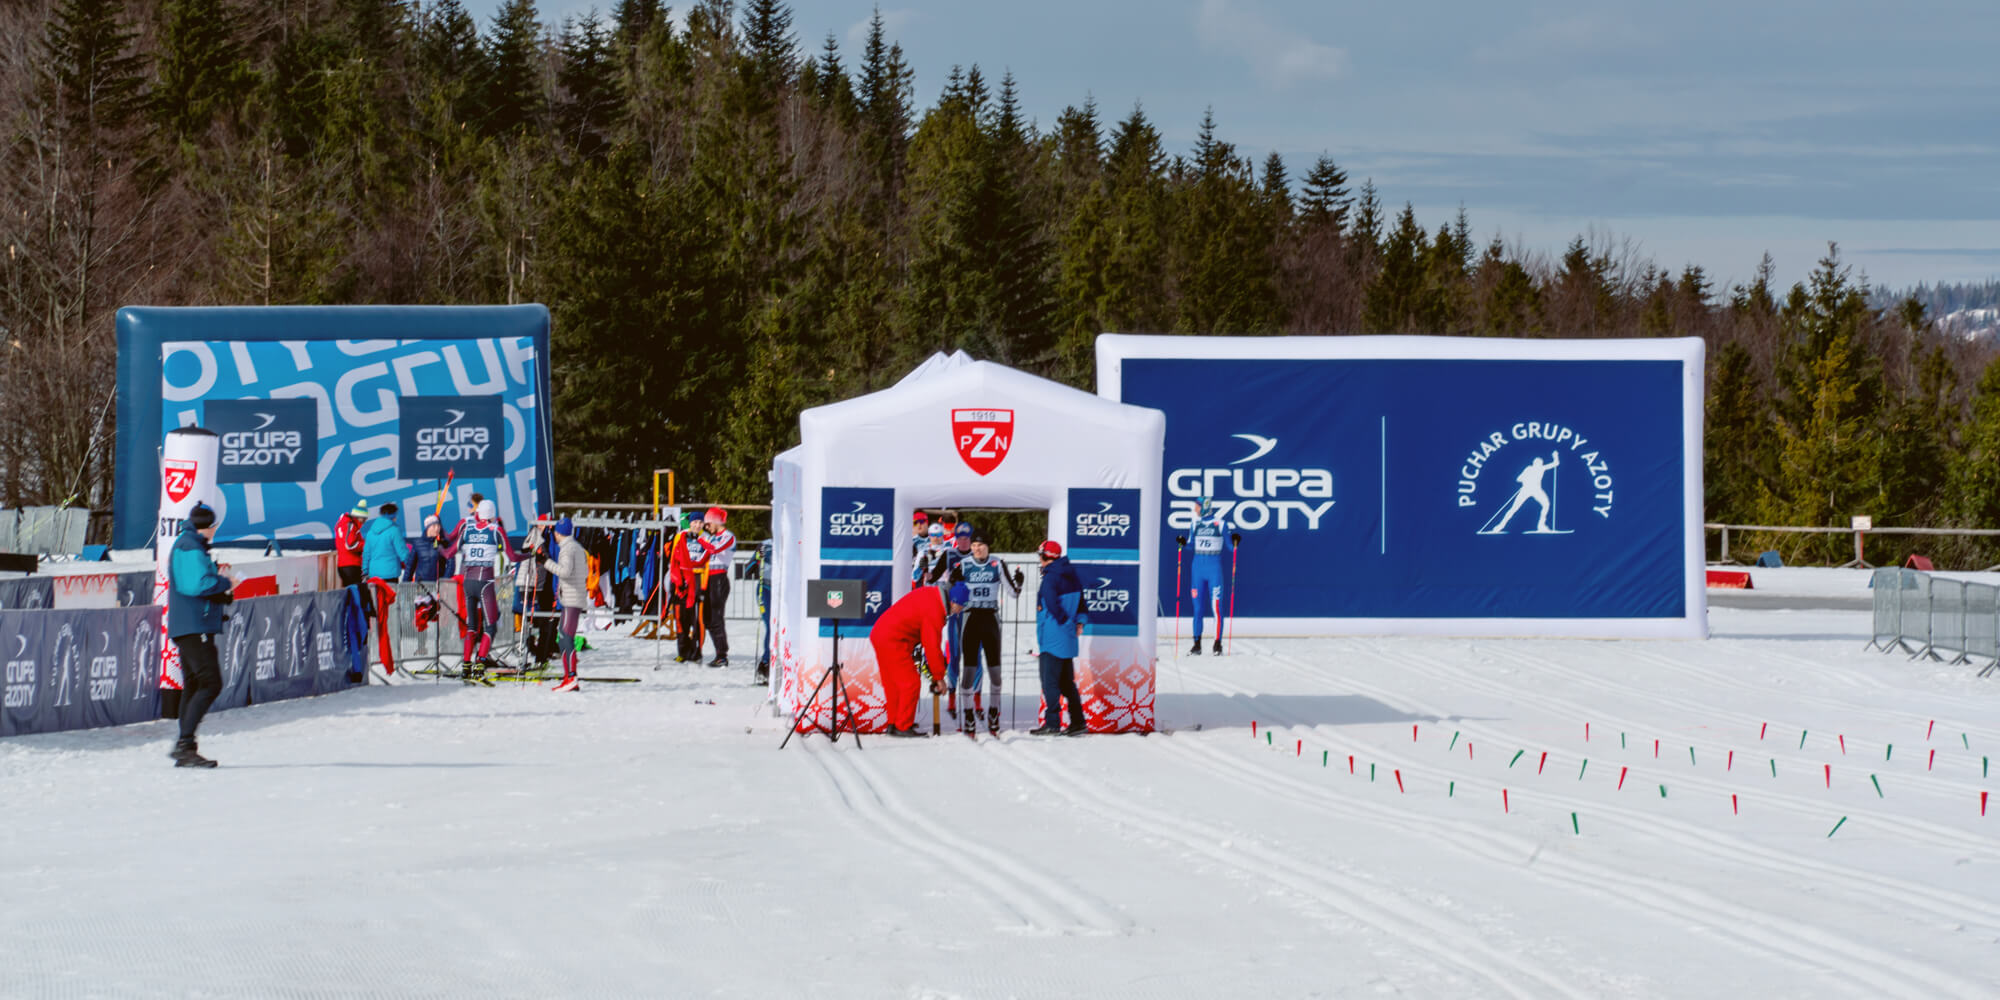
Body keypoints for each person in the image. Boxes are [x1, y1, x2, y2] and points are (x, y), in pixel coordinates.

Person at [167, 502, 233, 767]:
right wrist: (224, 582)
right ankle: (185, 744)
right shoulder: (189, 546)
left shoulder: (190, 545)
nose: (215, 531)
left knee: (195, 684)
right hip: (194, 625)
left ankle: (186, 745)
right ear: (208, 526)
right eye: (214, 526)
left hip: (191, 624)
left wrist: (219, 592)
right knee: (210, 683)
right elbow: (195, 585)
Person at [869, 581, 967, 737]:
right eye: (961, 606)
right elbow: (931, 645)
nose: (959, 611)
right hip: (893, 639)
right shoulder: (936, 609)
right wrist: (939, 677)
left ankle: (893, 723)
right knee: (910, 683)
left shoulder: (932, 595)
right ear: (953, 601)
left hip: (881, 633)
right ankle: (903, 726)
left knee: (894, 684)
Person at [442, 498, 526, 671]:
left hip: (468, 582)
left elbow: (448, 553)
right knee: (491, 625)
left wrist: (437, 545)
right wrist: (530, 555)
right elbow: (512, 557)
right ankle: (479, 664)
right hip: (484, 583)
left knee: (472, 626)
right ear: (492, 515)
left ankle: (466, 665)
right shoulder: (496, 530)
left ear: (478, 513)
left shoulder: (467, 529)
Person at [955, 530, 1023, 734]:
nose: (976, 548)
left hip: (991, 618)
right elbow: (952, 589)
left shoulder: (997, 564)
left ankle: (994, 712)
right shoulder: (965, 564)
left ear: (988, 547)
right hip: (970, 619)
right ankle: (968, 714)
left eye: (981, 545)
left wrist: (1018, 582)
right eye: (974, 545)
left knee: (995, 670)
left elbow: (1013, 593)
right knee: (968, 669)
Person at [1033, 540, 1088, 736]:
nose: (1039, 560)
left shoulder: (1050, 578)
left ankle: (1052, 723)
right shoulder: (1071, 574)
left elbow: (1052, 605)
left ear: (1045, 557)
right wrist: (1078, 623)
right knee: (1066, 683)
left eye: (1040, 556)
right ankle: (1078, 721)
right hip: (1067, 638)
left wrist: (1066, 624)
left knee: (1050, 682)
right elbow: (1082, 603)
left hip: (1052, 637)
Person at [1176, 497, 1239, 656]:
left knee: (1216, 608)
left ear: (1204, 507)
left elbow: (1231, 548)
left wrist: (1236, 541)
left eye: (1197, 506)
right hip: (1197, 570)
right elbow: (1191, 545)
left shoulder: (1221, 524)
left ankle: (1217, 644)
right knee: (1197, 609)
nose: (1195, 509)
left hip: (1213, 570)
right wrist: (1183, 543)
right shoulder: (1194, 524)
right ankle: (1196, 645)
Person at [360, 501, 410, 673]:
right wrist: (413, 563)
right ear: (392, 515)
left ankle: (377, 653)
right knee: (391, 617)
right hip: (389, 577)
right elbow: (402, 552)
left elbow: (366, 553)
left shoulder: (371, 531)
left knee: (377, 616)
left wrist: (365, 571)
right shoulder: (394, 530)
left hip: (374, 578)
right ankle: (392, 655)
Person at [540, 517, 589, 692]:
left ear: (560, 533)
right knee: (563, 636)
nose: (554, 534)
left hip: (571, 599)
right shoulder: (576, 547)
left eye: (556, 531)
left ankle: (571, 677)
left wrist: (545, 562)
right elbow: (583, 572)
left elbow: (566, 572)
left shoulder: (568, 549)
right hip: (572, 597)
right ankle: (568, 676)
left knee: (565, 637)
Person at [696, 507, 738, 667]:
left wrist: (700, 538)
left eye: (708, 524)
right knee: (707, 618)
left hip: (719, 579)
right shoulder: (712, 538)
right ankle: (719, 652)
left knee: (716, 617)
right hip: (708, 578)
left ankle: (722, 654)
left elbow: (715, 549)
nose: (707, 527)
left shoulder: (728, 536)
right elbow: (703, 557)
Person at [669, 511, 712, 663]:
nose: (697, 525)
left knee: (697, 619)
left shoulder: (705, 538)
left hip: (698, 578)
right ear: (690, 522)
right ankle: (683, 651)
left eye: (700, 523)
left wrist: (704, 587)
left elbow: (708, 564)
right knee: (681, 618)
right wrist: (676, 581)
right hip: (682, 579)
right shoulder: (681, 536)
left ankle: (696, 652)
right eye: (695, 522)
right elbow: (674, 558)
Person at [334, 501, 367, 587]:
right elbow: (350, 545)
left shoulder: (343, 524)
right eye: (364, 518)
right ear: (359, 517)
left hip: (343, 564)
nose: (365, 521)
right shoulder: (351, 525)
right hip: (351, 565)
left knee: (351, 594)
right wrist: (366, 544)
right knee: (357, 595)